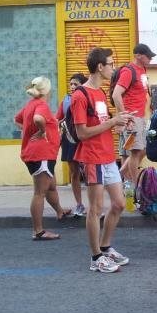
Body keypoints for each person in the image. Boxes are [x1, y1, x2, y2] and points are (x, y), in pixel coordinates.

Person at [72, 47, 134, 273]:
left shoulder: (100, 93)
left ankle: (105, 247)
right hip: (92, 158)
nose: (113, 68)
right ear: (100, 67)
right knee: (96, 209)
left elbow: (101, 125)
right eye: (111, 64)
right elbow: (82, 133)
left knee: (119, 204)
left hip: (107, 156)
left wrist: (119, 123)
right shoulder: (80, 95)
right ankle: (96, 257)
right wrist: (112, 122)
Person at [14, 76, 69, 241]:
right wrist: (41, 132)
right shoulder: (41, 105)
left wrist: (30, 131)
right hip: (41, 155)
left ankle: (59, 211)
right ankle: (38, 231)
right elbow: (38, 119)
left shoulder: (30, 104)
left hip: (39, 154)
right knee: (39, 193)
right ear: (47, 90)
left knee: (51, 186)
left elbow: (17, 120)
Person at [113, 43, 154, 186]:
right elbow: (116, 94)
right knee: (137, 151)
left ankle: (123, 179)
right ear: (138, 56)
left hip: (140, 117)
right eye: (148, 56)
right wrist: (126, 117)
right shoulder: (129, 71)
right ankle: (136, 187)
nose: (150, 59)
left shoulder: (142, 70)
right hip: (132, 118)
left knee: (133, 151)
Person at [56, 73, 88, 218]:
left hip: (85, 138)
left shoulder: (87, 98)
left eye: (76, 84)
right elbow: (57, 119)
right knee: (74, 173)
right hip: (69, 139)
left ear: (83, 85)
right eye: (71, 84)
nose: (73, 86)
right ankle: (79, 204)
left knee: (91, 173)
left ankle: (95, 205)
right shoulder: (66, 101)